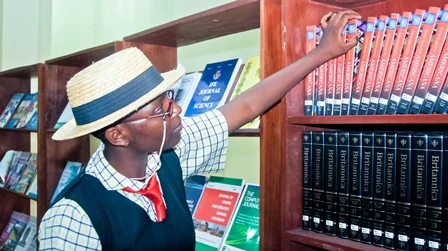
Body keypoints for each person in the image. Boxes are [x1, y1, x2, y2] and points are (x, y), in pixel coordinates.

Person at [38, 9, 360, 250]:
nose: (176, 109)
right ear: (118, 135)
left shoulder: (166, 157)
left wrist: (322, 52)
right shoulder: (72, 218)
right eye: (161, 109)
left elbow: (245, 107)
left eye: (170, 99)